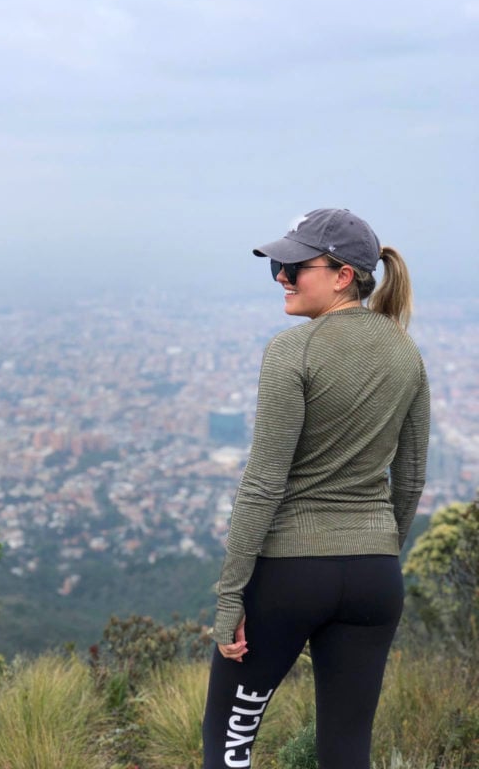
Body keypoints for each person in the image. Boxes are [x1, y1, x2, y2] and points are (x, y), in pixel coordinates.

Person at [202, 208, 430, 769]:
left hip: (290, 575)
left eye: (293, 266)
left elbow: (262, 482)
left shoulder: (292, 350)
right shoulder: (407, 353)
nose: (281, 277)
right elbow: (412, 477)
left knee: (227, 745)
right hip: (375, 578)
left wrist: (231, 595)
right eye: (278, 266)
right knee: (347, 750)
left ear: (342, 275)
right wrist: (379, 547)